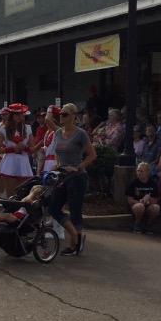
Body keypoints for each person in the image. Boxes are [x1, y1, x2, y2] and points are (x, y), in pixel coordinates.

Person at [50, 102, 96, 256]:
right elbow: (58, 151)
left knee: (75, 210)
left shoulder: (80, 133)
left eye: (64, 114)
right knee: (54, 207)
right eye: (60, 114)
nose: (61, 117)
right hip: (62, 175)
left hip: (77, 177)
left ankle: (73, 244)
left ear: (72, 117)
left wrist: (78, 166)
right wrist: (57, 164)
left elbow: (92, 155)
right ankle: (76, 236)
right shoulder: (58, 133)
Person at [0, 103, 34, 196]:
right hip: (9, 162)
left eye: (21, 114)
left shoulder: (28, 128)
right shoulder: (4, 129)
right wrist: (12, 149)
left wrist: (25, 147)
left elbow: (32, 149)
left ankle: (20, 210)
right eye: (16, 114)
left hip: (23, 162)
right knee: (10, 194)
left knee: (22, 193)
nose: (19, 116)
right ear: (12, 115)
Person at [125, 162, 160, 234]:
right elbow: (130, 200)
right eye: (138, 171)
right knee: (140, 206)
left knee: (156, 207)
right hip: (136, 205)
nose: (139, 173)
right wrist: (141, 202)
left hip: (148, 205)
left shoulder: (153, 184)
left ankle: (149, 224)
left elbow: (156, 199)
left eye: (141, 171)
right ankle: (137, 223)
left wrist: (150, 201)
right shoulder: (133, 184)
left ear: (147, 172)